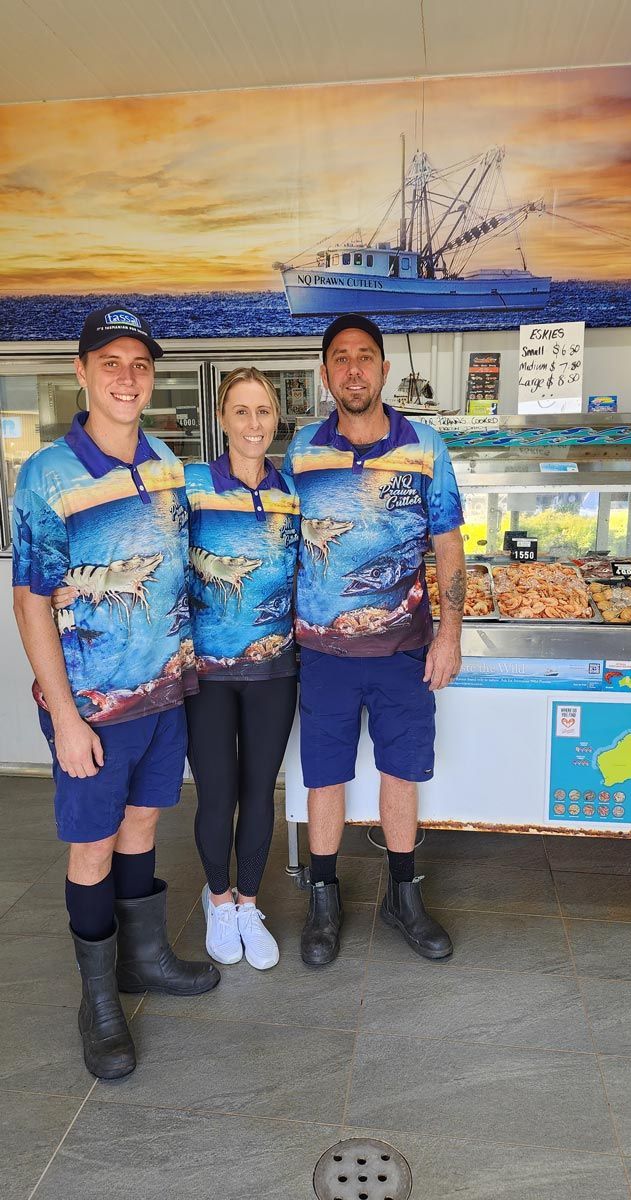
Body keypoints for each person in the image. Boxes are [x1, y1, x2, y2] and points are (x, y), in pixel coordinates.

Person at [12, 306, 219, 1082]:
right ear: (82, 373)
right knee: (92, 846)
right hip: (93, 706)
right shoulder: (47, 476)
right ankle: (98, 1001)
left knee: (142, 826)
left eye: (138, 363)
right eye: (111, 362)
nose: (127, 376)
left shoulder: (165, 459)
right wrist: (65, 718)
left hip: (164, 692)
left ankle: (146, 959)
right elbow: (31, 600)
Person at [283, 314, 466, 967]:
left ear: (384, 369)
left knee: (400, 772)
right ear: (326, 373)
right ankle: (323, 897)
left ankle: (402, 895)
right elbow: (279, 545)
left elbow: (448, 545)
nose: (353, 368)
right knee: (325, 777)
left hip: (404, 651)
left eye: (365, 356)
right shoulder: (302, 450)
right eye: (341, 358)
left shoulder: (426, 446)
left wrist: (449, 634)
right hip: (324, 655)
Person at [184, 368, 300, 970]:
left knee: (259, 793)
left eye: (263, 411)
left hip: (273, 672)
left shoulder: (291, 493)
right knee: (216, 793)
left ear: (274, 419)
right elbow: (151, 551)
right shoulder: (192, 485)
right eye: (241, 411)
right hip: (205, 674)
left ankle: (248, 902)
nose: (253, 423)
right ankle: (218, 898)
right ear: (223, 419)